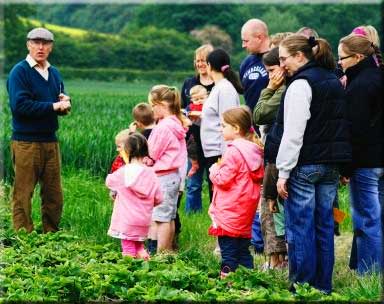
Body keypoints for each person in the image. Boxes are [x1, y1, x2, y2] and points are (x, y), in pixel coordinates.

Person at [268, 34, 351, 293]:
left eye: (284, 59)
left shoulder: (300, 85)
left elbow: (294, 133)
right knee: (324, 227)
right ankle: (323, 286)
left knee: (300, 228)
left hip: (304, 166)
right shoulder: (332, 80)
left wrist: (282, 173)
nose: (282, 65)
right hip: (330, 165)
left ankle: (302, 287)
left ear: (300, 56)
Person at [7, 27, 72, 233]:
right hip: (26, 142)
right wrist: (53, 106)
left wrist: (65, 102)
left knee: (54, 194)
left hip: (50, 141)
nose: (41, 47)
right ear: (28, 45)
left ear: (51, 47)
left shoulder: (54, 73)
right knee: (23, 193)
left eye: (45, 43)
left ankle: (51, 234)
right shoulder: (20, 71)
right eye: (36, 43)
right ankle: (23, 237)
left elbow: (59, 98)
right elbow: (21, 106)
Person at [338, 34, 384, 275]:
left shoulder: (359, 86)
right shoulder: (377, 77)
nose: (340, 63)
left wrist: (345, 168)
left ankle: (370, 274)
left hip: (365, 162)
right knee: (379, 219)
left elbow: (355, 131)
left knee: (367, 221)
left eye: (342, 58)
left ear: (357, 57)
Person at [208, 106, 264, 278]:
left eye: (224, 126)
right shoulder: (254, 150)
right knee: (243, 251)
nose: (220, 129)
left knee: (229, 254)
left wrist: (213, 170)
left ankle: (227, 284)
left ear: (236, 128)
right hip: (244, 211)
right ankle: (249, 280)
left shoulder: (234, 151)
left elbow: (222, 179)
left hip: (229, 211)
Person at [254, 47, 287, 270]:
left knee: (271, 209)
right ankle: (277, 258)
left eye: (272, 70)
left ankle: (278, 260)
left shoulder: (282, 89)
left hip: (277, 157)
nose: (270, 76)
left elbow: (259, 114)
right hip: (277, 154)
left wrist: (269, 88)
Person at [106, 131, 163, 259]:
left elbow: (109, 181)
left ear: (127, 152)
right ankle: (144, 265)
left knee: (128, 249)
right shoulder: (151, 174)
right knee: (139, 247)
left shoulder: (124, 172)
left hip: (126, 221)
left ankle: (129, 272)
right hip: (143, 220)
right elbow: (159, 198)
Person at [147, 85, 188, 252]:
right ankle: (166, 249)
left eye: (152, 106)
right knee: (168, 217)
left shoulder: (163, 128)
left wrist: (143, 159)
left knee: (161, 218)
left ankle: (161, 253)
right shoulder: (175, 123)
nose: (151, 110)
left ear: (162, 105)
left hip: (163, 177)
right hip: (172, 176)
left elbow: (153, 153)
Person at [200, 48, 242, 201]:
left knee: (219, 198)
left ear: (210, 66)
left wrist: (226, 157)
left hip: (220, 152)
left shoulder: (225, 89)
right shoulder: (218, 87)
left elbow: (229, 123)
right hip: (213, 151)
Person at [181, 44, 215, 214]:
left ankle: (214, 212)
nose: (200, 64)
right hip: (192, 141)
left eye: (204, 61)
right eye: (198, 61)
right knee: (193, 182)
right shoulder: (189, 83)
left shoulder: (218, 85)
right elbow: (181, 109)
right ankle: (192, 213)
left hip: (213, 139)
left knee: (214, 180)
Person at [240, 18, 270, 113]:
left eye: (246, 41)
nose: (243, 45)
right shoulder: (246, 62)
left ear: (259, 38)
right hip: (250, 123)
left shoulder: (277, 59)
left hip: (270, 123)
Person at [186, 85, 208, 178]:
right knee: (191, 148)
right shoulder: (190, 107)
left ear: (207, 96)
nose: (199, 101)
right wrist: (189, 114)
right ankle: (194, 165)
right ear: (191, 99)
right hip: (194, 134)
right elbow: (185, 113)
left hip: (207, 135)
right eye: (196, 99)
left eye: (202, 98)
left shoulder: (209, 106)